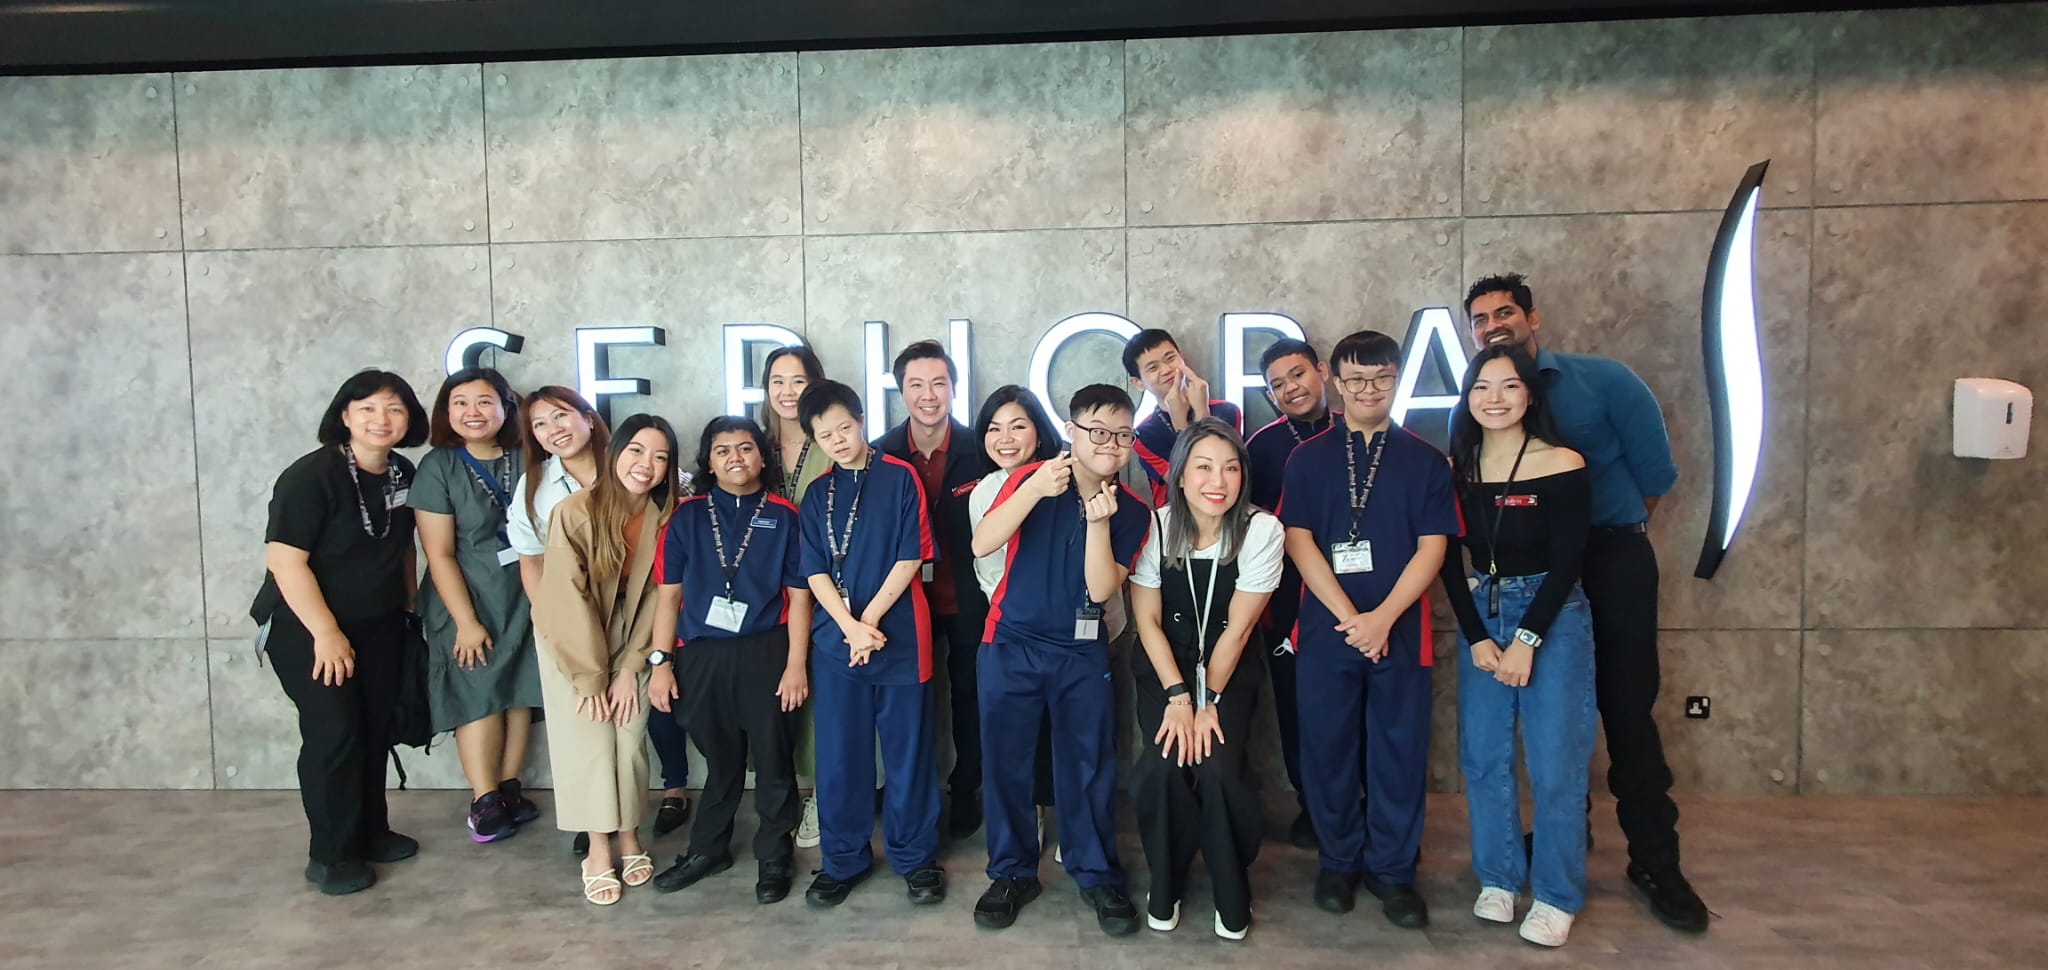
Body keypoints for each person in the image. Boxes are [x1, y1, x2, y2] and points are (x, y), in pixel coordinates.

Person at [1464, 273, 1706, 932]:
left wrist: (1604, 540)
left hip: (1609, 556)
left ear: (1533, 317)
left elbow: (1656, 478)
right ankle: (1558, 849)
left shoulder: (1607, 381)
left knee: (1626, 711)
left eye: (1504, 312)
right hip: (1518, 572)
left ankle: (1656, 861)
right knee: (1545, 731)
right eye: (1480, 319)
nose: (1493, 326)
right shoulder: (1475, 414)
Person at [1280, 331, 1457, 930]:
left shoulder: (1426, 460)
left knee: (1398, 752)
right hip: (1328, 631)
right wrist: (1349, 618)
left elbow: (1433, 547)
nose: (1368, 391)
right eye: (1356, 380)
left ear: (1396, 378)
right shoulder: (1306, 459)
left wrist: (1382, 618)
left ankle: (1394, 870)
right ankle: (1338, 860)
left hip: (1402, 631)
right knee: (1328, 749)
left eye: (1381, 379)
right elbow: (1298, 540)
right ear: (1335, 379)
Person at [969, 384, 1151, 937]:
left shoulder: (1134, 513)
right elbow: (982, 543)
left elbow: (1100, 590)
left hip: (1081, 650)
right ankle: (1011, 871)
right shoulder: (1030, 478)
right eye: (1098, 431)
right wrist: (1032, 490)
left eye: (1122, 435)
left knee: (1088, 765)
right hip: (1010, 644)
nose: (1110, 444)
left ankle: (1095, 871)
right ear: (1071, 432)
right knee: (1006, 765)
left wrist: (1099, 522)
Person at [1437, 344, 1595, 947]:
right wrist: (1477, 635)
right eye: (1481, 387)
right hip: (1485, 609)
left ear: (1530, 393)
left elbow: (1569, 560)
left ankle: (1557, 894)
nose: (1494, 399)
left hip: (1552, 616)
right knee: (1484, 757)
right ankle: (1499, 877)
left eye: (1507, 386)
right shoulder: (1460, 468)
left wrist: (1529, 637)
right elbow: (1447, 557)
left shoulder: (1562, 462)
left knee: (1555, 763)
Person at [253, 369, 428, 896]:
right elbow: (286, 564)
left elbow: (401, 546)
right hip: (305, 626)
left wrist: (409, 606)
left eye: (394, 409)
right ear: (345, 416)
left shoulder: (401, 473)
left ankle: (370, 831)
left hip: (379, 623)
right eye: (368, 408)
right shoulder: (311, 477)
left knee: (375, 727)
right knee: (335, 732)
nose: (382, 420)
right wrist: (326, 633)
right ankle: (330, 854)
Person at [508, 388, 691, 853]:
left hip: (636, 636)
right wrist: (591, 678)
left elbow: (658, 597)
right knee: (588, 740)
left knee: (629, 742)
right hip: (573, 641)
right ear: (614, 453)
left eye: (660, 456)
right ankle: (597, 848)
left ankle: (629, 838)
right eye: (635, 450)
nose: (646, 464)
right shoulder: (572, 511)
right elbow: (565, 600)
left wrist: (631, 668)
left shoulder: (666, 514)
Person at [1128, 418, 1283, 941]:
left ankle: (1229, 881)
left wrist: (1207, 700)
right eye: (1203, 467)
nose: (1218, 480)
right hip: (1163, 668)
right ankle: (1165, 880)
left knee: (1217, 768)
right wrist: (1177, 696)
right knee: (1165, 766)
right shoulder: (1155, 525)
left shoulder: (1262, 530)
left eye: (1231, 468)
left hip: (1228, 672)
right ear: (1179, 474)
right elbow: (1147, 621)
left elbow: (1238, 631)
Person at [794, 380, 945, 908]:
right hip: (838, 646)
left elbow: (911, 557)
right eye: (823, 434)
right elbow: (812, 570)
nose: (836, 440)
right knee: (840, 757)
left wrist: (870, 620)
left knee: (908, 756)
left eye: (843, 427)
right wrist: (849, 628)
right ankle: (842, 859)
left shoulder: (900, 477)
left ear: (860, 420)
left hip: (900, 639)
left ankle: (914, 857)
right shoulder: (816, 494)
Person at [648, 416, 811, 904]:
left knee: (774, 758)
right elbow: (668, 597)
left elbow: (800, 598)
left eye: (745, 448)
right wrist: (660, 663)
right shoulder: (686, 516)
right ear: (709, 462)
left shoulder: (785, 515)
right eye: (723, 451)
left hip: (767, 651)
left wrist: (796, 664)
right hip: (700, 654)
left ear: (763, 457)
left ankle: (774, 855)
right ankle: (708, 849)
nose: (735, 458)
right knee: (720, 761)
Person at [412, 368, 545, 844]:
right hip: (467, 598)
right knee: (478, 695)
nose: (473, 412)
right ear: (446, 412)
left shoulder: (526, 455)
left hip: (522, 593)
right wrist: (466, 622)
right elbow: (439, 553)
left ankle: (509, 788)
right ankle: (483, 799)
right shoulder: (439, 467)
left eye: (485, 401)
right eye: (461, 402)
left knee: (518, 691)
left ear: (506, 408)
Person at [1242, 337, 1361, 850]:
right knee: (1297, 707)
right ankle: (1314, 806)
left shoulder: (1358, 427)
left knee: (1363, 708)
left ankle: (1364, 806)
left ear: (1321, 371)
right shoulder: (1262, 446)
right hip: (1289, 603)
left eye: (1297, 375)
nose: (1291, 388)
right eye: (1278, 385)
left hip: (1364, 594)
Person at [876, 340, 991, 838]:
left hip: (968, 599)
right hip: (903, 603)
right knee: (909, 704)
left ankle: (968, 789)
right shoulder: (879, 453)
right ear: (900, 391)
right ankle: (908, 792)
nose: (929, 395)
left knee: (970, 699)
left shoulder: (981, 449)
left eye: (939, 383)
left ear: (954, 388)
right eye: (916, 385)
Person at [755, 343, 835, 849]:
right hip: (762, 595)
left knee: (820, 703)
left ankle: (824, 798)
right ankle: (785, 798)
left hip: (823, 590)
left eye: (798, 381)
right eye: (778, 381)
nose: (787, 392)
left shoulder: (831, 442)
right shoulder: (752, 443)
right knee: (776, 702)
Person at [1123, 328, 1243, 507]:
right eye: (1153, 368)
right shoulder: (1144, 435)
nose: (1166, 370)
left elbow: (1230, 471)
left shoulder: (1227, 411)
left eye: (1170, 358)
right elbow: (1186, 482)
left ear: (1182, 357)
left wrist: (1202, 413)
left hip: (1227, 514)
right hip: (1177, 522)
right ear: (1138, 383)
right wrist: (1180, 422)